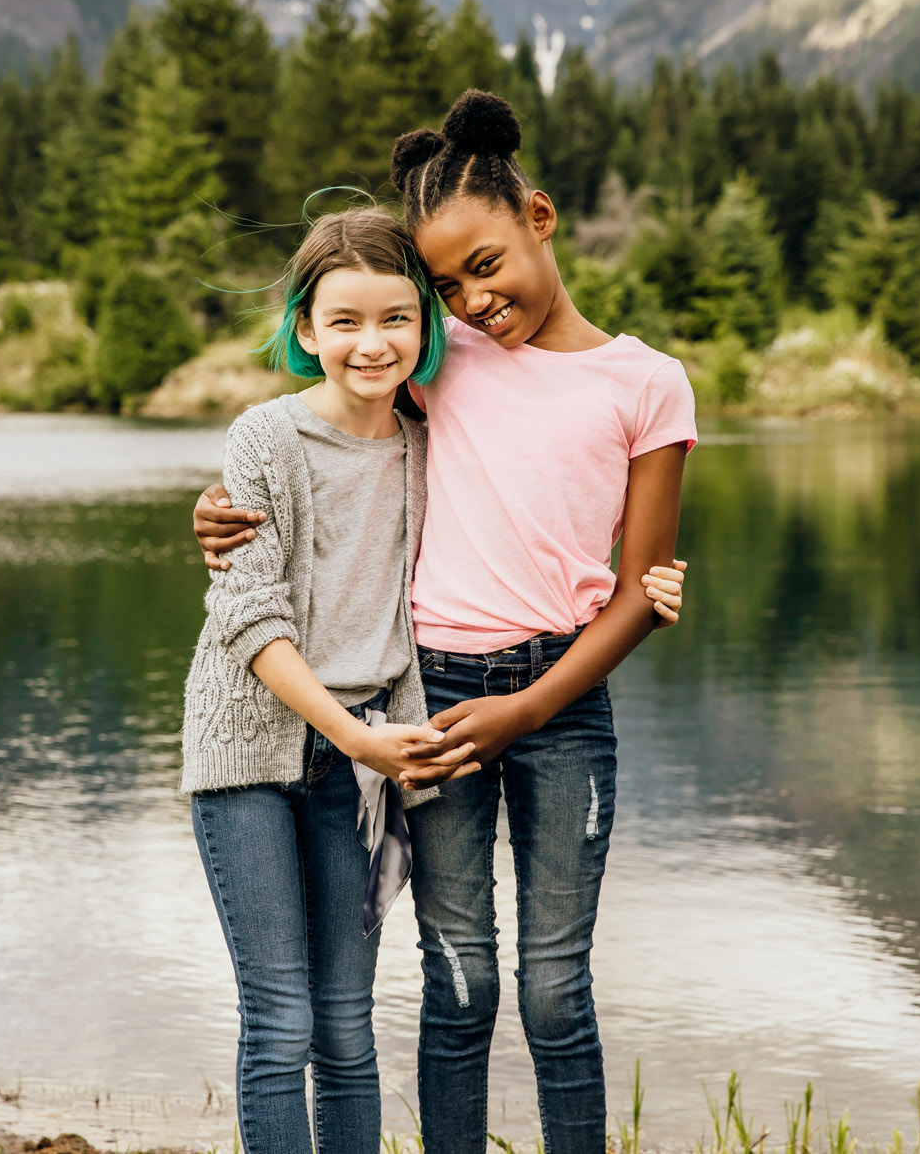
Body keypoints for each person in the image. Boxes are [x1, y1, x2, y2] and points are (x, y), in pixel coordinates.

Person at [195, 90, 698, 1154]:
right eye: (446, 285)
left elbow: (636, 584)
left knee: (556, 986)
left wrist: (532, 704)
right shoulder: (438, 361)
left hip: (560, 701)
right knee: (457, 978)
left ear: (540, 220)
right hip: (432, 697)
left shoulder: (645, 383)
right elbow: (321, 432)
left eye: (486, 264)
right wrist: (215, 509)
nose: (471, 300)